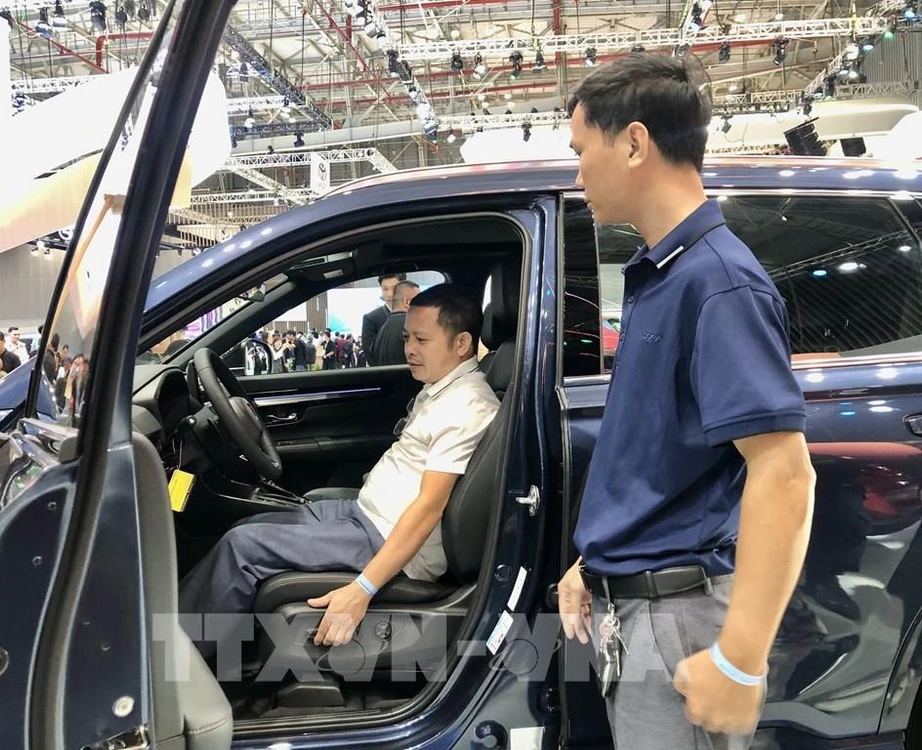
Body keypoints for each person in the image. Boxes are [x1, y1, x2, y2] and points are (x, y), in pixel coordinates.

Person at [556, 54, 815, 749]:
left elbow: (785, 476)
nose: (577, 175)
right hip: (642, 602)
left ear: (634, 143)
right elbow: (661, 451)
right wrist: (595, 559)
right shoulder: (662, 273)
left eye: (583, 152)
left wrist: (739, 658)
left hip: (681, 618)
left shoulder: (718, 283)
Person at [179, 283, 500, 654]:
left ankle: (170, 661)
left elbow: (429, 507)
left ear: (461, 344)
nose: (409, 349)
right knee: (247, 526)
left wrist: (362, 588)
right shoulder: (442, 389)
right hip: (367, 515)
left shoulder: (467, 407)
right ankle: (205, 635)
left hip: (384, 537)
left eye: (422, 340)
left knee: (242, 547)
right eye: (407, 336)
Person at [360, 273, 406, 364]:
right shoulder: (371, 318)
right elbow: (370, 355)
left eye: (394, 288)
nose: (389, 294)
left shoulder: (414, 315)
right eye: (385, 289)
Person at [373, 280, 420, 366]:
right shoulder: (409, 326)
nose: (422, 305)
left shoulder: (383, 329)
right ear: (407, 302)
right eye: (419, 300)